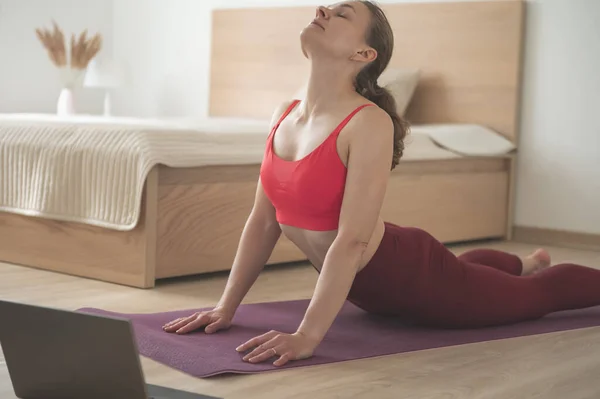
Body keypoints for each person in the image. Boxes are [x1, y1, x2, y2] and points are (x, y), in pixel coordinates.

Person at [163, 1, 600, 367]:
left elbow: (351, 241)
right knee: (467, 270)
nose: (323, 9)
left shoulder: (368, 123)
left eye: (341, 13)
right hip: (379, 291)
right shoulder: (284, 112)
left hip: (419, 282)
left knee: (537, 295)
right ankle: (521, 261)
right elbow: (263, 222)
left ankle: (527, 270)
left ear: (363, 55)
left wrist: (308, 336)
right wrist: (226, 307)